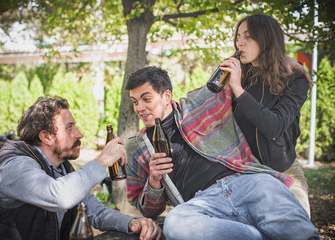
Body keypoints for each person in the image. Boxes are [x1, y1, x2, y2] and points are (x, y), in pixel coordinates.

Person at [124, 66, 319, 239]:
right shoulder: (136, 148)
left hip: (247, 183)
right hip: (203, 204)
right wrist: (154, 182)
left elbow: (239, 60)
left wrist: (283, 58)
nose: (139, 108)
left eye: (146, 99)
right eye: (134, 102)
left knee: (281, 207)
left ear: (166, 96)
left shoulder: (199, 103)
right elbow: (147, 209)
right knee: (175, 222)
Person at [0, 96, 160, 240]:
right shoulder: (15, 166)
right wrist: (103, 159)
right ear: (46, 137)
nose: (80, 134)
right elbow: (60, 197)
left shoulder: (61, 168)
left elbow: (92, 210)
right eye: (69, 128)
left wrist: (132, 222)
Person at [222, 14, 311, 216]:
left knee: (298, 228)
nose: (240, 42)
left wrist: (238, 89)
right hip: (245, 174)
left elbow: (275, 126)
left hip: (285, 173)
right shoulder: (240, 76)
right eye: (238, 37)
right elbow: (209, 109)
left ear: (266, 39)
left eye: (248, 36)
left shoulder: (294, 79)